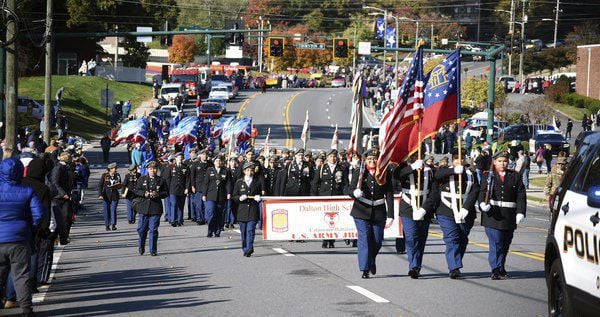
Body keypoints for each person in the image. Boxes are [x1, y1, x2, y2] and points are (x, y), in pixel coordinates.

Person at [0, 158, 45, 317]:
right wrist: (29, 227)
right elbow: (39, 214)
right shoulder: (27, 191)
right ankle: (26, 309)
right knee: (21, 275)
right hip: (19, 238)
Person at [427, 151, 479, 279]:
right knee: (452, 239)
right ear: (452, 160)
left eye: (461, 159)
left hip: (466, 213)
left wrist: (466, 208)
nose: (459, 162)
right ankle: (454, 268)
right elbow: (436, 176)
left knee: (462, 240)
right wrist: (454, 171)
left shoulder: (470, 174)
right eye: (456, 159)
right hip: (446, 211)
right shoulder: (445, 171)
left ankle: (455, 262)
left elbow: (475, 191)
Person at [478, 151, 527, 280]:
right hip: (492, 215)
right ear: (494, 162)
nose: (503, 163)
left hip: (508, 216)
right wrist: (482, 204)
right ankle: (495, 268)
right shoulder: (488, 176)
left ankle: (501, 267)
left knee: (505, 244)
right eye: (499, 161)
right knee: (496, 242)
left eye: (505, 161)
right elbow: (482, 192)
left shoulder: (515, 176)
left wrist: (520, 212)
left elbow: (521, 196)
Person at [349, 149, 394, 279]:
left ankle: (371, 260)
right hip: (361, 210)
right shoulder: (359, 172)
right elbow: (349, 189)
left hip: (379, 211)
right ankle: (365, 268)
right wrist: (354, 193)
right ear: (365, 160)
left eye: (374, 159)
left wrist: (390, 214)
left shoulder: (384, 174)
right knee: (365, 240)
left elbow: (389, 194)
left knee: (377, 240)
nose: (372, 161)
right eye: (369, 159)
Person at [395, 153, 435, 279]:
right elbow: (396, 175)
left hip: (424, 209)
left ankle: (417, 266)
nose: (415, 159)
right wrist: (412, 167)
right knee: (411, 237)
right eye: (413, 156)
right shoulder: (404, 168)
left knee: (421, 239)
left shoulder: (430, 171)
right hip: (407, 207)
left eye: (418, 156)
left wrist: (424, 209)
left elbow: (434, 193)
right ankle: (413, 266)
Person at [311, 149, 348, 249]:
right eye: (331, 156)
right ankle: (325, 239)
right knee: (325, 219)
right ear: (327, 157)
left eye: (334, 156)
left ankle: (332, 240)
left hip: (336, 196)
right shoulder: (322, 167)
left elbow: (345, 183)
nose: (333, 158)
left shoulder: (341, 168)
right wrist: (314, 196)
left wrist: (346, 196)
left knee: (335, 219)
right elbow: (315, 183)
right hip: (324, 196)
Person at [134, 161, 168, 256]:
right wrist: (144, 194)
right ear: (147, 170)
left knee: (153, 230)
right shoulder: (142, 179)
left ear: (157, 170)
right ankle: (141, 246)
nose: (152, 170)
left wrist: (158, 194)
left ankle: (153, 250)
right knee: (142, 229)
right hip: (143, 208)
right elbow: (136, 190)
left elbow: (166, 193)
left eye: (154, 169)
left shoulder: (161, 180)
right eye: (150, 169)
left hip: (155, 208)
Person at [233, 162, 264, 257]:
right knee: (244, 232)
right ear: (244, 171)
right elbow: (234, 196)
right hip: (242, 211)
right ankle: (245, 247)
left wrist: (259, 198)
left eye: (251, 170)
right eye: (248, 170)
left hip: (253, 210)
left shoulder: (257, 182)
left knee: (250, 230)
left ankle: (249, 248)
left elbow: (261, 194)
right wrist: (239, 198)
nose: (250, 172)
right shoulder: (239, 182)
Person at [202, 155, 232, 238]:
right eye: (217, 161)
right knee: (210, 213)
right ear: (214, 162)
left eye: (219, 161)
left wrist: (229, 193)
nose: (218, 162)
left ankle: (217, 231)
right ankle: (210, 230)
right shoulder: (209, 170)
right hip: (211, 195)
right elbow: (206, 183)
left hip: (221, 196)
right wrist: (204, 194)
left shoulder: (226, 171)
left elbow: (228, 183)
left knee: (219, 214)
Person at [49, 152, 72, 245]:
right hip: (58, 197)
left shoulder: (66, 167)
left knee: (67, 217)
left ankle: (64, 236)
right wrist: (63, 193)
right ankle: (57, 237)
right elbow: (55, 182)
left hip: (65, 196)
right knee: (59, 219)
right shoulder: (58, 168)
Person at [165, 152, 190, 227]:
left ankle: (179, 220)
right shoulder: (171, 167)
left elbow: (187, 179)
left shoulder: (185, 167)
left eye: (181, 157)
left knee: (181, 205)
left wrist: (187, 188)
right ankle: (173, 220)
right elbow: (168, 179)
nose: (180, 158)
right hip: (173, 189)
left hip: (182, 189)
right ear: (175, 158)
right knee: (174, 204)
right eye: (178, 157)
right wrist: (168, 189)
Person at [98, 163, 122, 231]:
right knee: (106, 211)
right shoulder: (105, 175)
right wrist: (100, 194)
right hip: (106, 195)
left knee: (113, 209)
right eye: (114, 168)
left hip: (114, 195)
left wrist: (117, 185)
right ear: (110, 169)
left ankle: (113, 224)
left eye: (115, 168)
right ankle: (107, 225)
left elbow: (120, 183)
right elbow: (100, 185)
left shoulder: (117, 175)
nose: (115, 169)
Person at [191, 149, 211, 225]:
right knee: (199, 205)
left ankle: (206, 218)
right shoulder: (195, 164)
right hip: (199, 186)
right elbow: (192, 176)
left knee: (207, 205)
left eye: (206, 154)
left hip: (208, 187)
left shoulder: (210, 164)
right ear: (200, 155)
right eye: (203, 154)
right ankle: (199, 218)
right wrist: (192, 186)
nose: (205, 156)